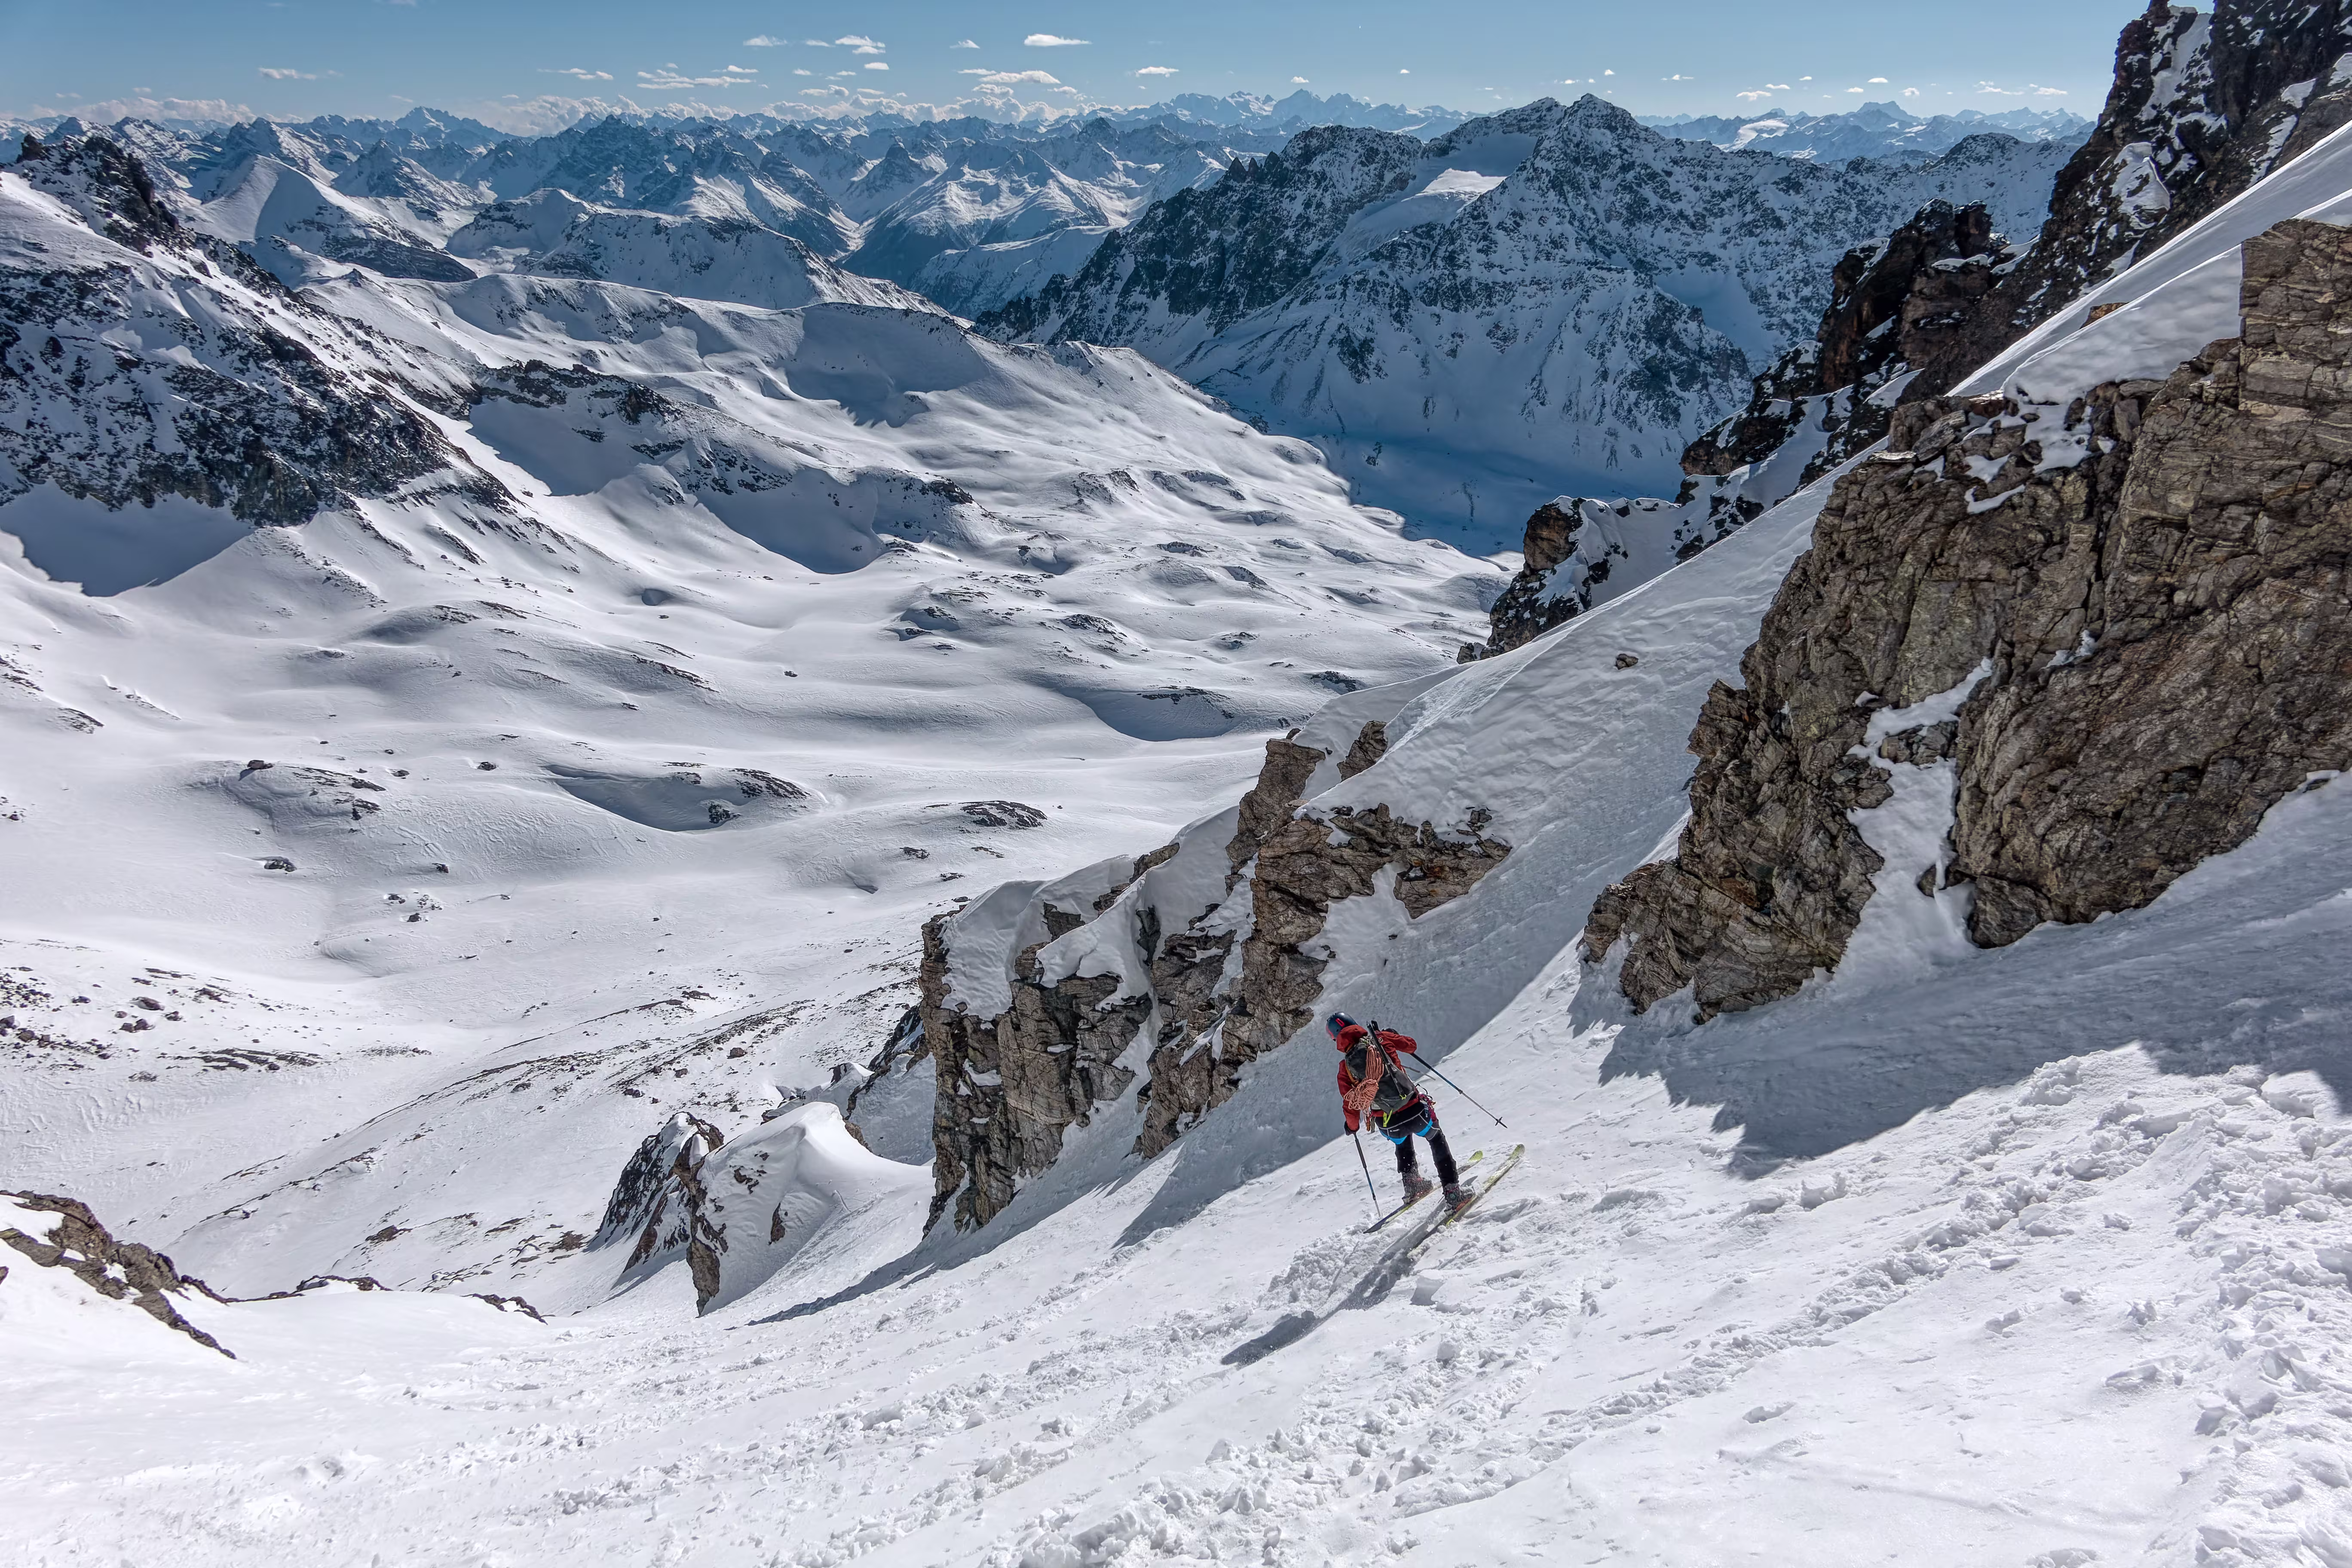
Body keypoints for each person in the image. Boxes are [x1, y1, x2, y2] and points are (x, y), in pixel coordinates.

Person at [1330, 1012, 1465, 1210]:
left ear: (1337, 1039)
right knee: (1435, 1137)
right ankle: (1453, 1192)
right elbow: (1411, 1046)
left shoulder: (1345, 1068)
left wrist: (1352, 1127)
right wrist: (1390, 1034)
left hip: (1387, 1124)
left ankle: (1412, 1185)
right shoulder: (1381, 1039)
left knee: (1402, 1139)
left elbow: (1350, 1104)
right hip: (1415, 1111)